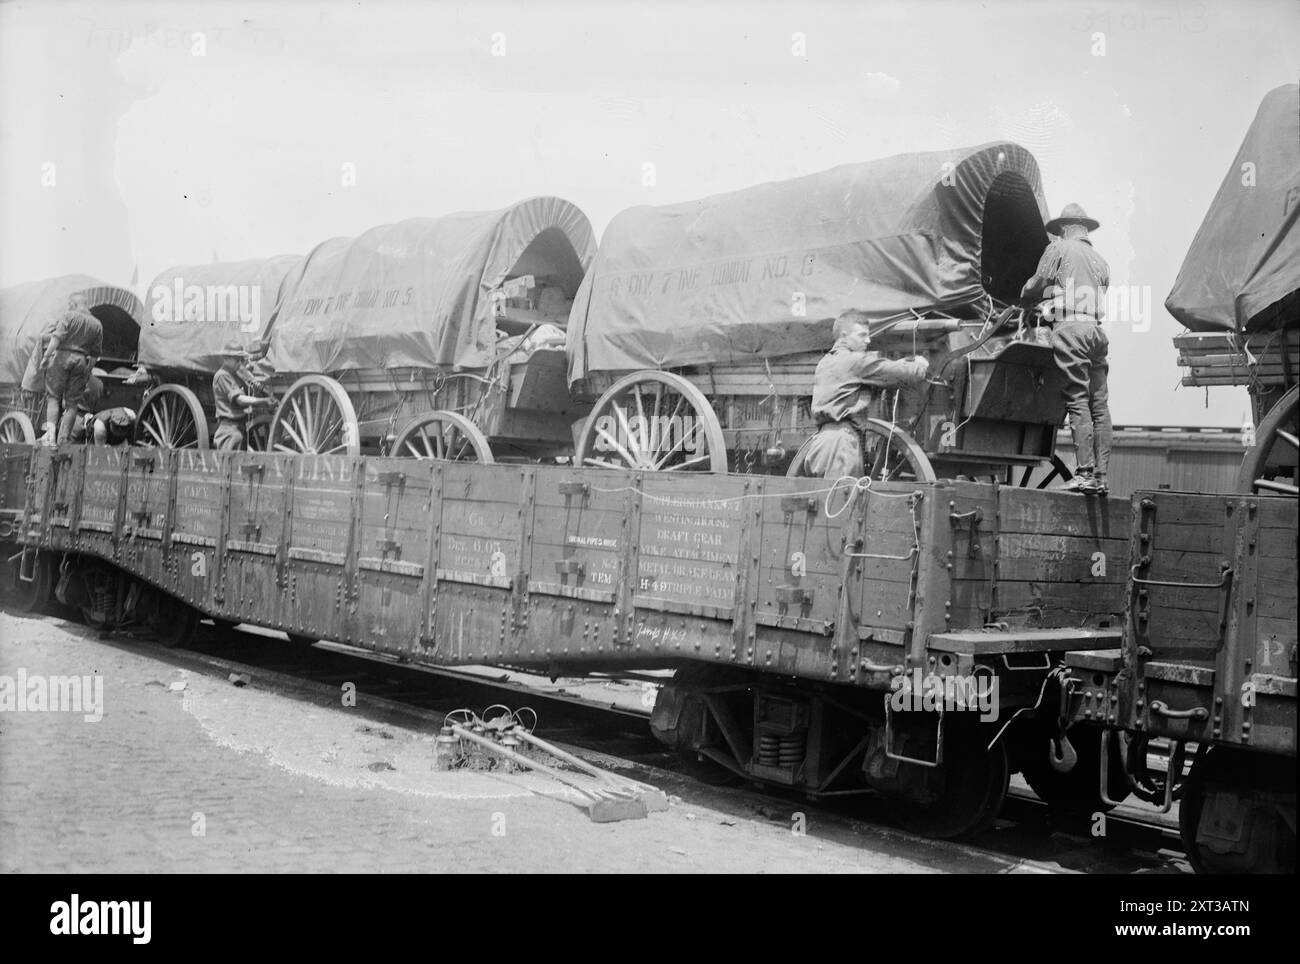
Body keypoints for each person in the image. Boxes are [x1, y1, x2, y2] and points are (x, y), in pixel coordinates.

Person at [1020, 203, 1112, 495]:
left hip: (1070, 330)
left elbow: (1036, 285)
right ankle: (1100, 476)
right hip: (1096, 332)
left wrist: (1028, 297)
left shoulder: (1058, 249)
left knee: (1077, 400)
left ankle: (1083, 473)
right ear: (1085, 229)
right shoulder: (1101, 261)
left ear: (1064, 228)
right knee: (1100, 405)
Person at [801, 309, 929, 478]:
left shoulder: (825, 363)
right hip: (841, 446)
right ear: (844, 336)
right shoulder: (855, 361)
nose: (868, 340)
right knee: (843, 501)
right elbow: (888, 371)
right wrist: (919, 366)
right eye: (862, 335)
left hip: (819, 445)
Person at [38, 293, 103, 445]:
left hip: (62, 358)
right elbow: (95, 354)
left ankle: (49, 437)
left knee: (53, 397)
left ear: (73, 304)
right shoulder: (97, 324)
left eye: (69, 305)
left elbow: (56, 339)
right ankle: (63, 438)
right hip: (81, 361)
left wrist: (46, 357)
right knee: (72, 404)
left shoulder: (68, 316)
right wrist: (87, 370)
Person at [212, 341, 275, 450]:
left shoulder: (235, 375)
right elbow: (240, 399)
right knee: (229, 465)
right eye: (237, 360)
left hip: (239, 427)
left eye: (241, 360)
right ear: (226, 358)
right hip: (229, 430)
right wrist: (263, 401)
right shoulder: (222, 376)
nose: (240, 363)